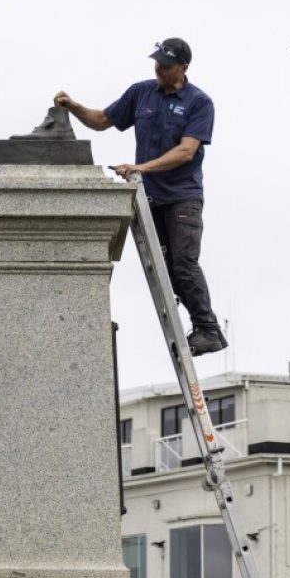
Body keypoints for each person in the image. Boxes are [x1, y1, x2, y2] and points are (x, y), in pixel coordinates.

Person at [54, 38, 226, 356]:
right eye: (157, 62)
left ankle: (207, 329)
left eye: (166, 64)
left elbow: (187, 151)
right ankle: (193, 321)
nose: (158, 68)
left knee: (183, 263)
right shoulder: (142, 92)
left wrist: (141, 168)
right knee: (165, 267)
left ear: (183, 67)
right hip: (151, 199)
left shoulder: (199, 103)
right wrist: (74, 106)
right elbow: (103, 120)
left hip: (182, 197)